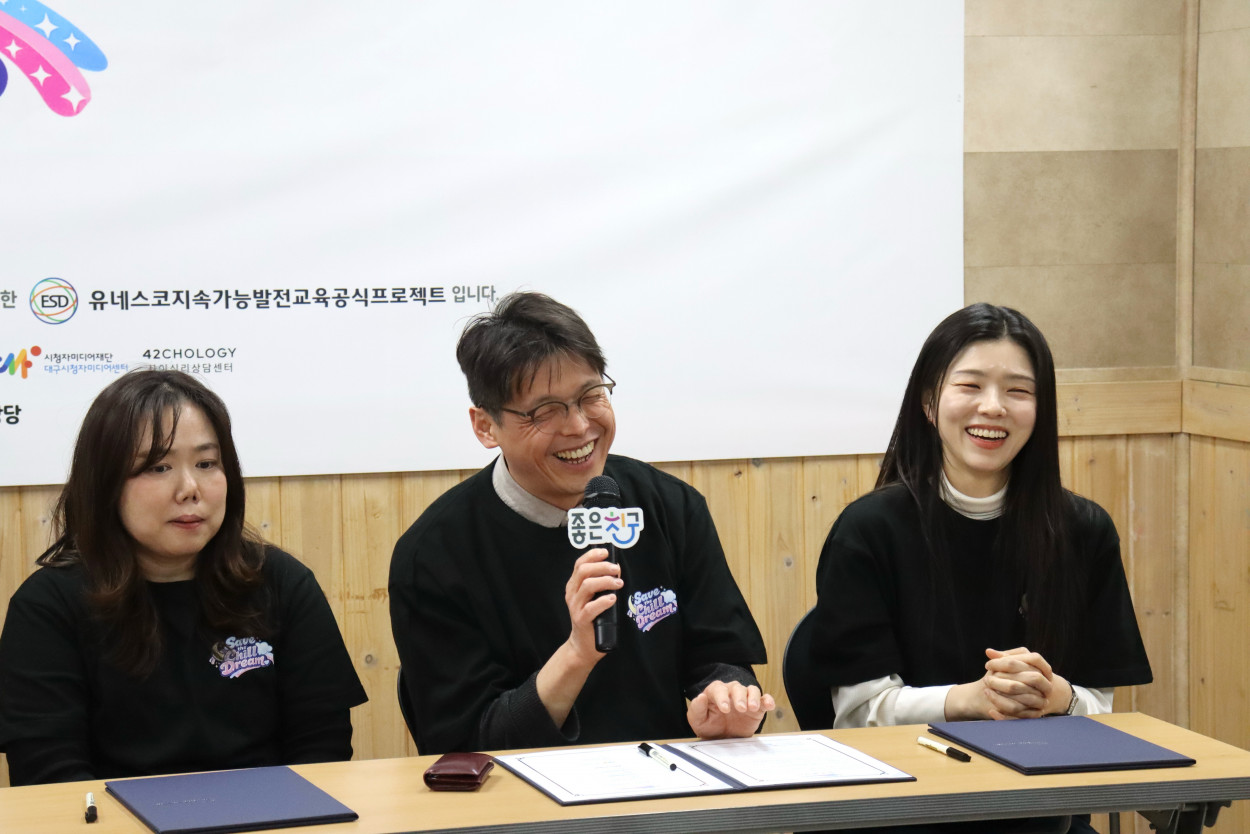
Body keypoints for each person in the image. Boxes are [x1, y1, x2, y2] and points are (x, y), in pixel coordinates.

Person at [810, 304, 1151, 834]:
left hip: (1043, 813)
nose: (993, 407)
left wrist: (1056, 696)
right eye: (970, 385)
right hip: (904, 812)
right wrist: (970, 699)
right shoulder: (869, 529)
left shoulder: (1084, 530)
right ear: (929, 401)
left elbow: (1100, 710)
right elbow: (857, 715)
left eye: (1018, 391)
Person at [389, 291, 773, 754]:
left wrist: (727, 697)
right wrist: (576, 654)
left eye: (591, 396)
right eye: (544, 411)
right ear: (485, 426)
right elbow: (466, 742)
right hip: (519, 794)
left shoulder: (670, 506)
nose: (578, 426)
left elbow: (721, 654)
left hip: (668, 779)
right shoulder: (434, 554)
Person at [0, 370, 367, 786]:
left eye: (207, 464)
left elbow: (322, 749)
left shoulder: (282, 582)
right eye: (158, 467)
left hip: (268, 811)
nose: (190, 488)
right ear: (105, 483)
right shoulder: (48, 606)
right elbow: (48, 776)